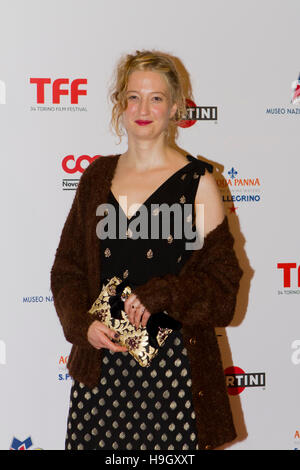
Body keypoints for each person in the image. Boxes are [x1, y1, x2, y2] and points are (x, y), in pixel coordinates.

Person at [51, 49, 243, 450]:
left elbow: (224, 290)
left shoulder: (199, 184)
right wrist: (81, 325)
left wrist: (165, 293)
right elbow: (66, 270)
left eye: (156, 97)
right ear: (120, 103)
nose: (143, 108)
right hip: (100, 373)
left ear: (174, 107)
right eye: (133, 96)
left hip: (175, 375)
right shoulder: (96, 177)